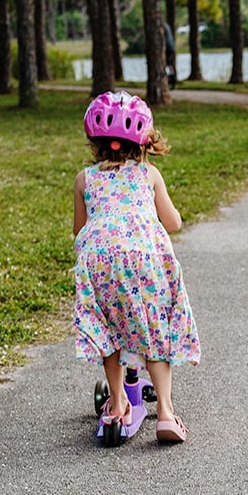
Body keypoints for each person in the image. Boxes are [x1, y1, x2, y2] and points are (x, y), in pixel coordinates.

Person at [73, 90, 200, 443]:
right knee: (155, 331)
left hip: (98, 262)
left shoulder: (85, 179)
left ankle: (116, 406)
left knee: (110, 332)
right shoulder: (149, 175)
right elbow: (172, 222)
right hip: (144, 261)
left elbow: (79, 230)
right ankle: (166, 414)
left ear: (96, 142)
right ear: (142, 142)